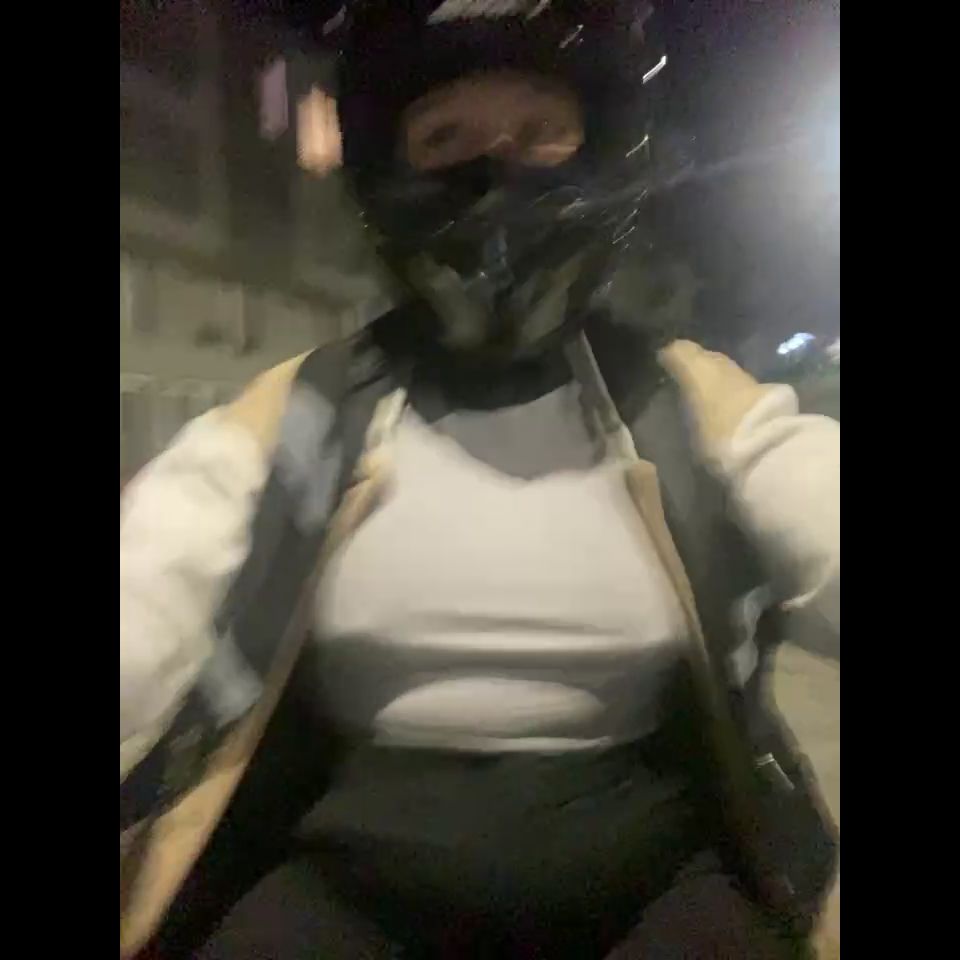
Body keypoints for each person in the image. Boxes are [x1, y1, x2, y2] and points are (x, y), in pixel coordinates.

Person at [120, 1, 840, 957]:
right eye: (445, 137)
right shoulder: (299, 412)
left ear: (603, 147)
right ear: (387, 165)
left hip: (651, 870)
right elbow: (147, 586)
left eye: (539, 132)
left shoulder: (691, 402)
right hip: (352, 868)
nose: (496, 175)